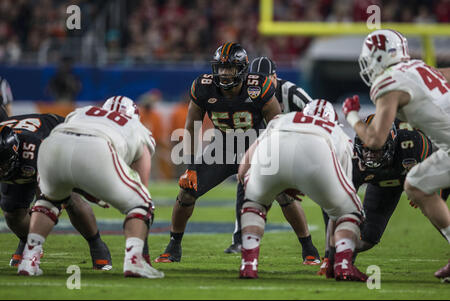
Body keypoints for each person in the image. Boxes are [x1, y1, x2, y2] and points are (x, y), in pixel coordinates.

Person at [154, 42, 282, 263]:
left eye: (230, 68)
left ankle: (308, 249)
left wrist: (280, 164)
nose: (223, 73)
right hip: (221, 150)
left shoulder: (257, 86)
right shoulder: (204, 86)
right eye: (221, 67)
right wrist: (190, 168)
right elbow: (192, 127)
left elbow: (278, 126)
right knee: (186, 192)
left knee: (286, 195)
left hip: (255, 148)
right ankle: (173, 245)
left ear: (241, 69)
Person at [342, 29, 450, 282]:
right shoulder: (420, 68)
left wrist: (352, 116)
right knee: (418, 184)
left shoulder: (389, 83)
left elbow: (375, 141)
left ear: (378, 57)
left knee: (417, 185)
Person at [17, 96, 164, 279]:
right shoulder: (138, 129)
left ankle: (28, 260)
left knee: (49, 201)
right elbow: (141, 186)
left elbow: (72, 154)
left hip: (52, 145)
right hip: (96, 147)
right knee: (142, 204)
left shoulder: (82, 111)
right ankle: (134, 261)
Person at [237, 99, 367, 281]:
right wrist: (329, 256)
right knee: (350, 210)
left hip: (273, 147)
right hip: (316, 150)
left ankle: (248, 264)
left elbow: (244, 168)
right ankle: (343, 265)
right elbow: (338, 212)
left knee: (254, 204)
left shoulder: (283, 119)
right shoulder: (338, 132)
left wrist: (260, 191)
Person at [318, 115, 450, 275]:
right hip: (384, 184)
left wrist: (428, 188)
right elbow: (336, 209)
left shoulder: (411, 143)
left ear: (391, 143)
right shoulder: (353, 161)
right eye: (365, 148)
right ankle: (343, 260)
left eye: (376, 148)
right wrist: (329, 256)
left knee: (438, 217)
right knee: (366, 239)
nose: (370, 154)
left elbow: (440, 160)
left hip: (429, 171)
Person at [225, 56, 321, 266]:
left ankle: (322, 247)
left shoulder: (292, 93)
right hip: (268, 148)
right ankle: (240, 239)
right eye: (256, 79)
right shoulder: (250, 92)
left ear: (275, 77)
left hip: (302, 147)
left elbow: (318, 117)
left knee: (316, 196)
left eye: (266, 79)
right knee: (253, 185)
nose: (261, 84)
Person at [0, 113, 112, 270]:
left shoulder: (35, 149)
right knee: (12, 212)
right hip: (26, 156)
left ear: (14, 151)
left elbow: (49, 198)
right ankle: (25, 241)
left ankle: (97, 245)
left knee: (67, 198)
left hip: (55, 138)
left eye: (2, 165)